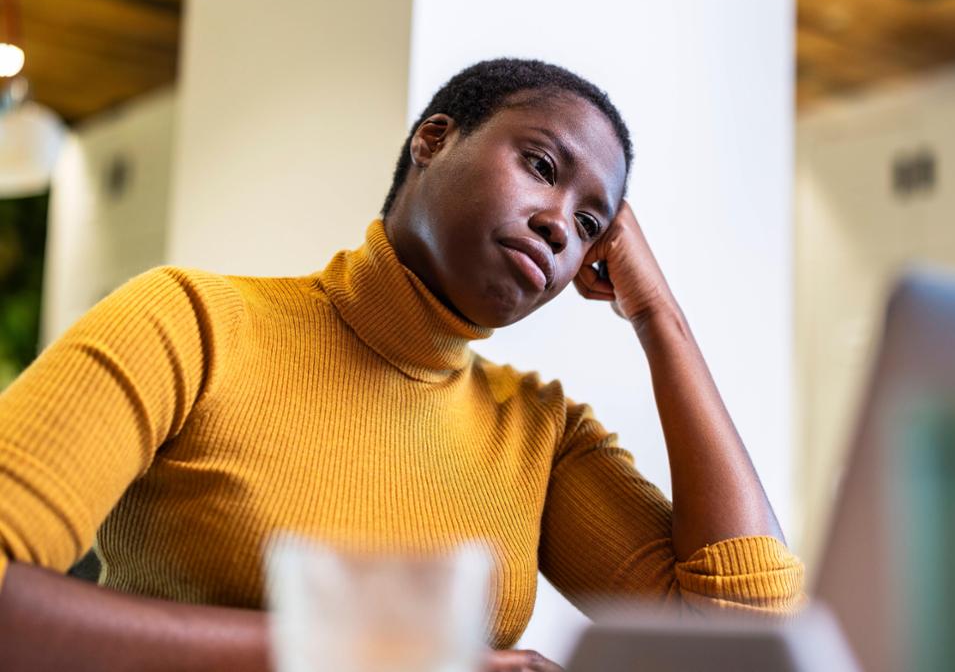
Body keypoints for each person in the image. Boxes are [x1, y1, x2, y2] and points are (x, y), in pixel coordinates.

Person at [0, 59, 803, 671]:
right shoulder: (193, 323)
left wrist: (660, 318)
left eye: (592, 223)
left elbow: (741, 644)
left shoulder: (540, 436)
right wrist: (380, 651)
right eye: (543, 167)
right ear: (433, 139)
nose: (561, 226)